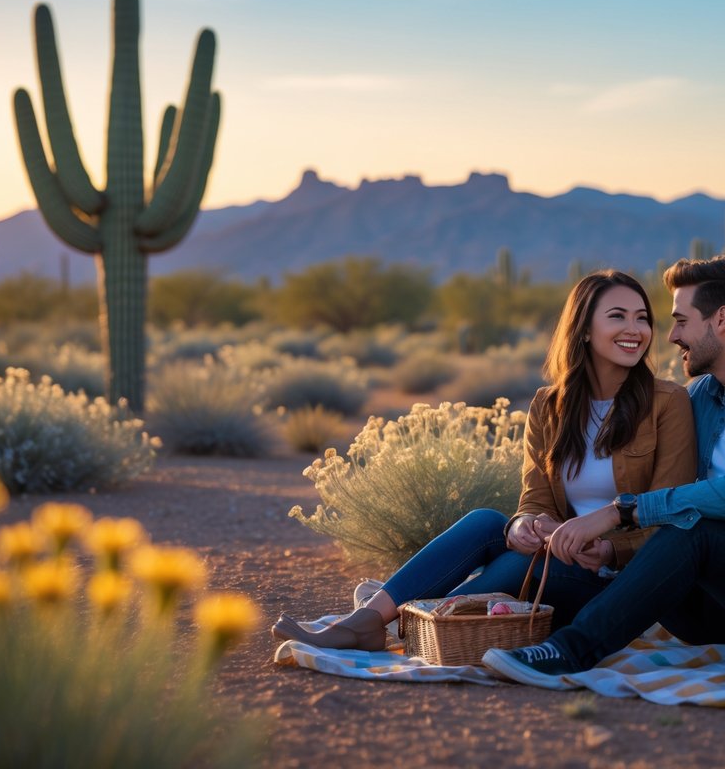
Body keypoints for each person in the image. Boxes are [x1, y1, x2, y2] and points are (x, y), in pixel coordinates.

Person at [482, 256, 725, 687]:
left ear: (720, 319)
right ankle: (465, 625)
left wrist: (619, 512)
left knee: (693, 528)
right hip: (720, 607)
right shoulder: (701, 396)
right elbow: (675, 488)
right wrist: (604, 548)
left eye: (681, 321)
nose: (670, 336)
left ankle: (569, 653)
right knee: (593, 551)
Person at [271, 270, 696, 650]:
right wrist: (524, 524)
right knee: (488, 522)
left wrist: (608, 548)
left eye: (642, 318)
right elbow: (535, 499)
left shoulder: (667, 403)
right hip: (552, 562)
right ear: (583, 329)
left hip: (615, 583)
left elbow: (671, 514)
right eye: (618, 316)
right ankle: (372, 620)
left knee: (522, 559)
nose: (635, 329)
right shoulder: (550, 406)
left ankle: (403, 617)